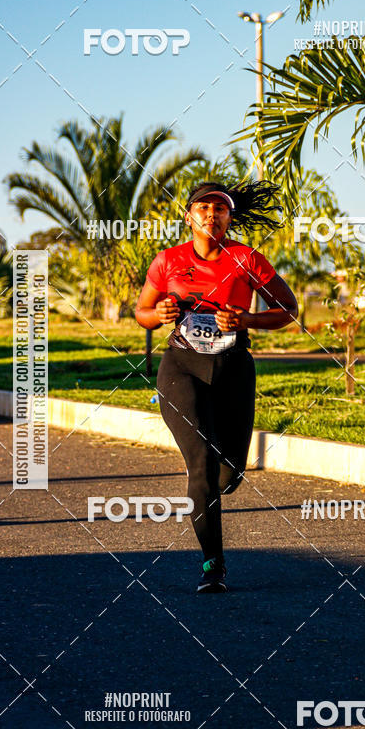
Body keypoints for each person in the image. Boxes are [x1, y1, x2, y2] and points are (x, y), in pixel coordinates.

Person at [135, 181, 298, 593]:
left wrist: (244, 320)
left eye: (220, 208)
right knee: (201, 464)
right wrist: (159, 312)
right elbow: (142, 313)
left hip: (233, 368)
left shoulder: (247, 258)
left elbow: (287, 310)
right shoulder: (168, 261)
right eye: (203, 208)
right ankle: (213, 565)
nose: (212, 214)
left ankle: (221, 484)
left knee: (228, 475)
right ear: (189, 216)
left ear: (229, 217)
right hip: (181, 368)